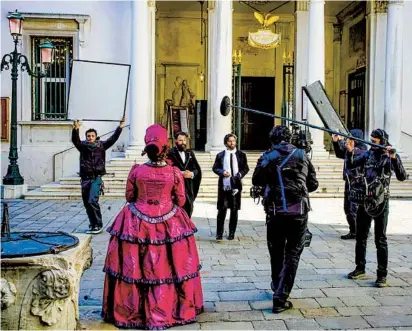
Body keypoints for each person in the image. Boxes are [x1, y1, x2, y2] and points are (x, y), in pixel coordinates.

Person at [102, 124, 204, 329]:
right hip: (169, 220)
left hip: (136, 221)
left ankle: (133, 311)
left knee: (135, 266)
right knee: (169, 265)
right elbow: (182, 200)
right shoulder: (174, 173)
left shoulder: (137, 171)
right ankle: (167, 309)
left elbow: (130, 196)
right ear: (166, 147)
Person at [252, 125, 318, 313]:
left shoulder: (268, 156)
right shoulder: (301, 155)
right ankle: (281, 295)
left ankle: (277, 285)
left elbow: (256, 180)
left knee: (276, 250)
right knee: (293, 254)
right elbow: (313, 184)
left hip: (275, 212)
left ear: (272, 140)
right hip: (299, 212)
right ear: (289, 139)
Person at [345, 128, 407, 287]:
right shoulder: (368, 154)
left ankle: (382, 275)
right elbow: (351, 165)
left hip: (381, 202)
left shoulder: (389, 156)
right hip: (366, 200)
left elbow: (402, 176)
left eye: (374, 141)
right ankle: (360, 268)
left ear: (382, 141)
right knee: (360, 236)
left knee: (380, 239)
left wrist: (394, 158)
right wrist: (350, 151)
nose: (371, 143)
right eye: (370, 140)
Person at [72, 117, 125, 234]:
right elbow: (75, 141)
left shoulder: (101, 146)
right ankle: (93, 224)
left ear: (96, 137)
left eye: (92, 136)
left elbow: (112, 139)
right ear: (86, 137)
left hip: (96, 178)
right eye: (88, 136)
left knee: (92, 201)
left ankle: (98, 224)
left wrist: (120, 127)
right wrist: (75, 129)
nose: (90, 138)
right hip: (85, 179)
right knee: (87, 203)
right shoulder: (83, 147)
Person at [212, 134, 249, 241]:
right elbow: (215, 168)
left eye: (233, 141)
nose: (232, 143)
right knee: (221, 210)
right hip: (224, 185)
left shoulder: (241, 155)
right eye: (229, 141)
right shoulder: (220, 155)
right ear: (225, 143)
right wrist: (222, 172)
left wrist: (240, 175)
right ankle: (219, 233)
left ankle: (231, 233)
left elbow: (245, 168)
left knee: (234, 210)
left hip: (236, 185)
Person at [332, 129, 368, 239]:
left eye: (350, 137)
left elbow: (354, 151)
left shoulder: (362, 150)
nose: (348, 139)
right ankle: (353, 230)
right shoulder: (350, 149)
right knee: (347, 208)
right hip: (348, 182)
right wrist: (336, 141)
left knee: (354, 209)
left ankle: (359, 231)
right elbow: (339, 153)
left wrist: (343, 142)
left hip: (357, 183)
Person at [167, 132, 202, 217]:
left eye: (184, 140)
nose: (183, 142)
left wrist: (192, 174)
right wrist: (180, 173)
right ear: (176, 141)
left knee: (188, 210)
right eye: (180, 140)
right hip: (175, 188)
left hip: (188, 187)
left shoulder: (190, 153)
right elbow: (167, 169)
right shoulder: (170, 153)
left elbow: (197, 169)